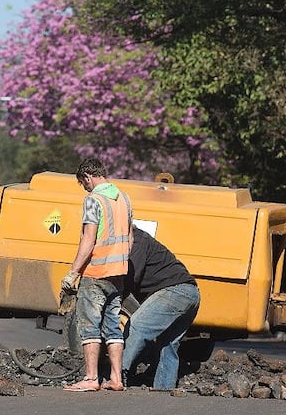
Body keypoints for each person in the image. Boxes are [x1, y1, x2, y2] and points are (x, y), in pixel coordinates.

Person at [62, 158, 133, 392]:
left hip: (96, 273)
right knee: (113, 326)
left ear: (88, 177)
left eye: (83, 183)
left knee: (89, 326)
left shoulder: (93, 201)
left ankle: (91, 378)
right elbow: (130, 239)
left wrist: (73, 272)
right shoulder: (124, 198)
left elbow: (89, 239)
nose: (84, 188)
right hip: (118, 274)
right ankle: (116, 379)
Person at [122, 226, 200, 390]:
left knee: (136, 326)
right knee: (168, 343)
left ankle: (119, 376)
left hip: (176, 291)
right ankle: (164, 389)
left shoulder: (137, 240)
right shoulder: (140, 240)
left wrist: (114, 298)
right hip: (191, 293)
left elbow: (131, 277)